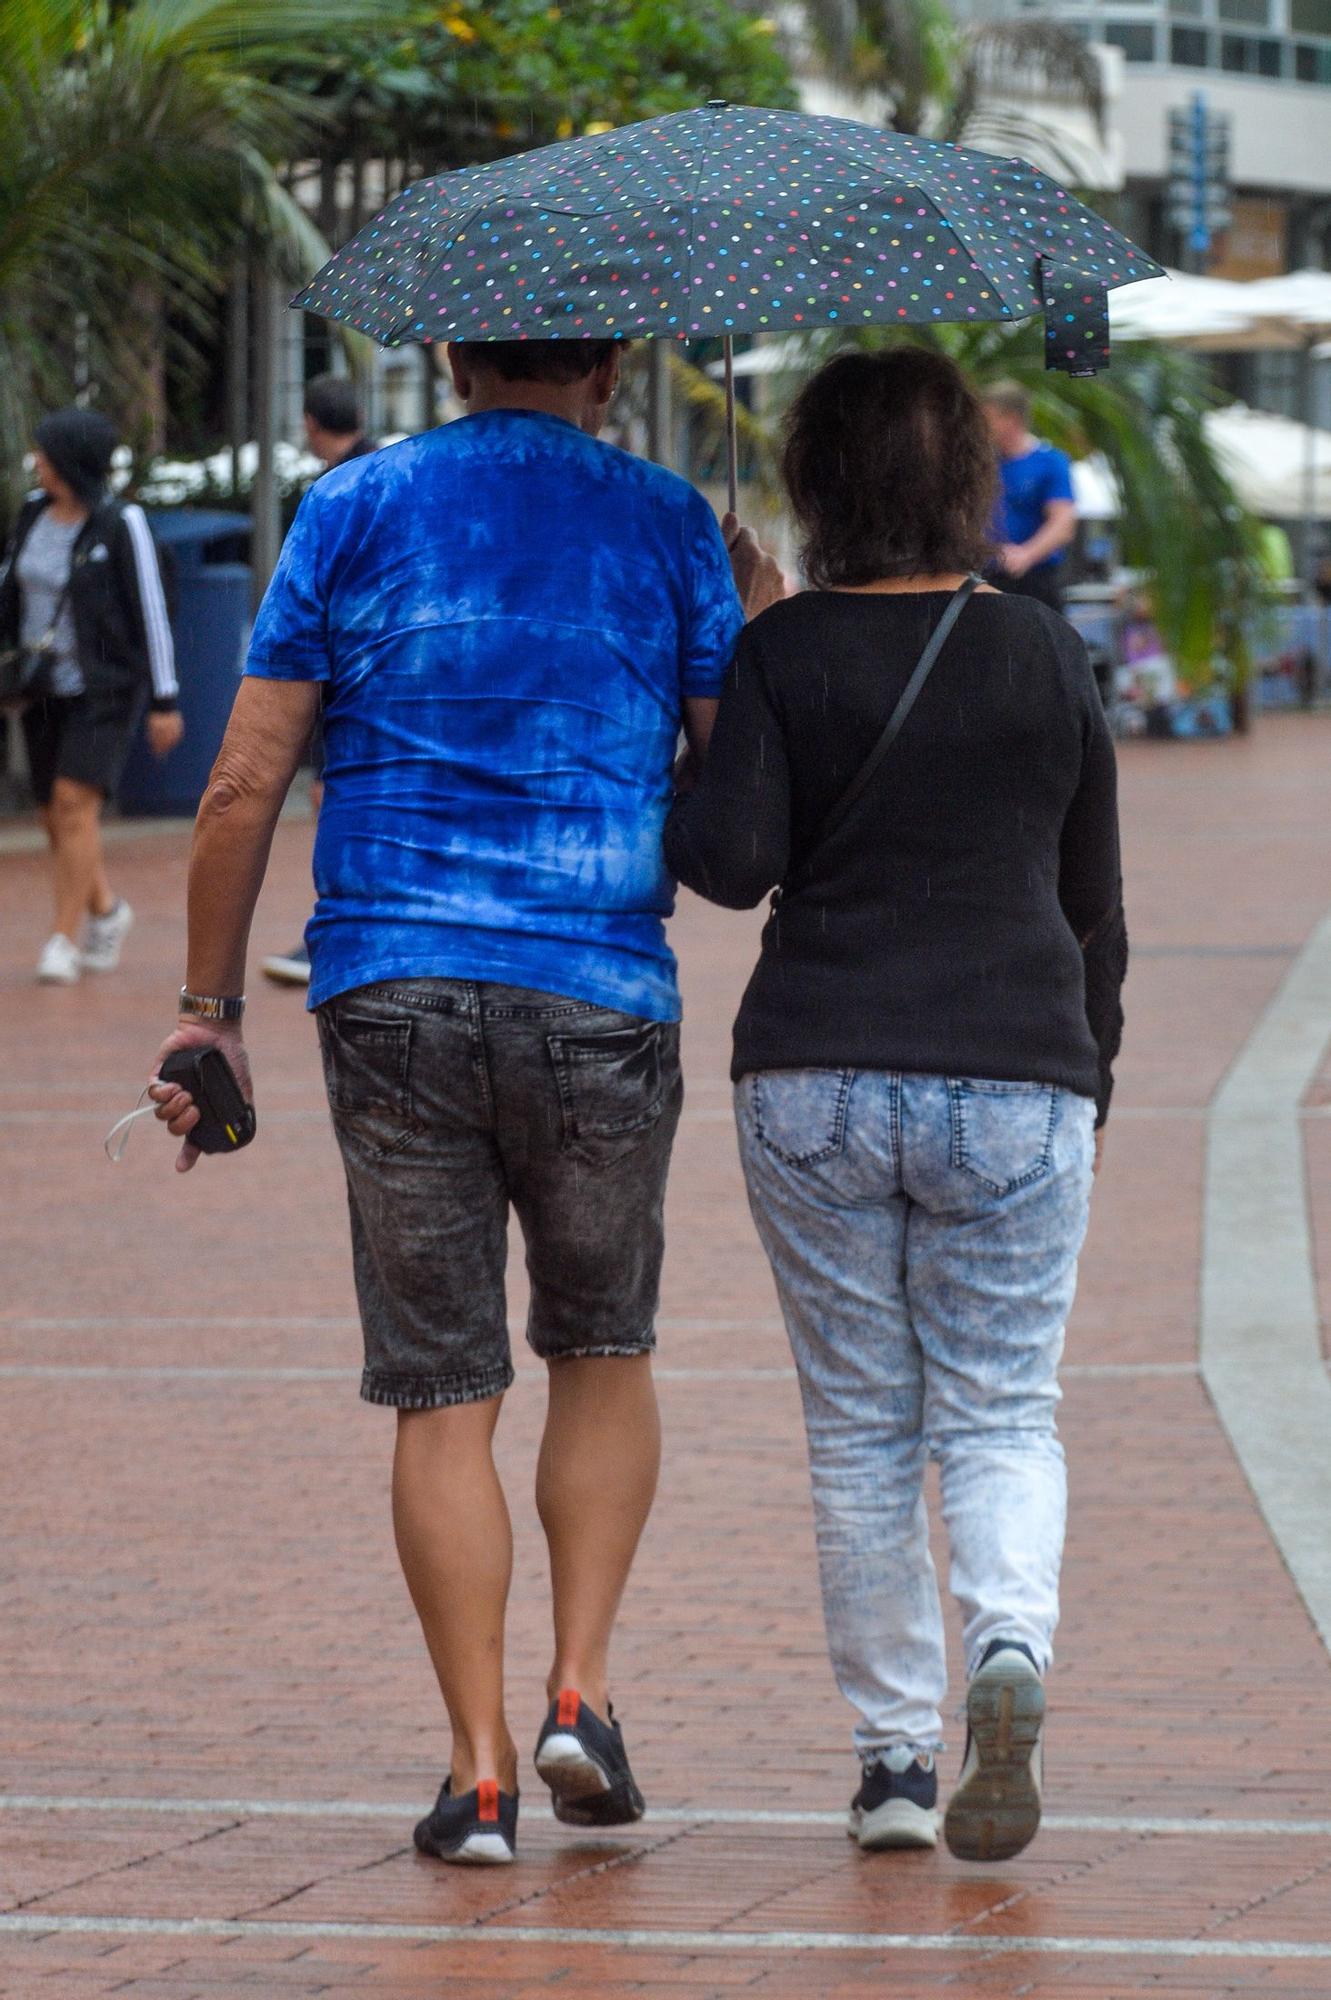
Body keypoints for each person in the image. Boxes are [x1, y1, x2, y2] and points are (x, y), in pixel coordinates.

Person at [147, 336, 782, 1868]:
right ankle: (580, 1694)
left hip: (391, 989)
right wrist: (756, 636)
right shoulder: (666, 521)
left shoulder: (351, 509)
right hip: (598, 992)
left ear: (447, 350)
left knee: (441, 1387)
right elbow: (735, 809)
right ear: (613, 366)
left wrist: (209, 1012)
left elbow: (240, 785)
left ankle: (478, 1773)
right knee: (602, 1346)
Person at [666, 349, 1126, 1866]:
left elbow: (728, 867)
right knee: (999, 1406)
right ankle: (1007, 1648)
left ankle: (891, 1768)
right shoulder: (1047, 654)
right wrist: (1088, 1077)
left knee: (861, 1429)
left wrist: (728, 684)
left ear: (816, 485)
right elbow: (1091, 906)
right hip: (1014, 1069)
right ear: (961, 488)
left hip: (810, 1071)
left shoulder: (785, 651)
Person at [0, 409, 183, 984]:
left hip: (105, 690)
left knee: (75, 805)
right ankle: (107, 909)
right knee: (53, 815)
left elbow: (153, 610)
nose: (39, 464)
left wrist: (165, 700)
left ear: (72, 462)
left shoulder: (120, 522)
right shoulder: (32, 511)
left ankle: (63, 938)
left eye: (47, 455)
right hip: (40, 688)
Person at [262, 377, 381, 988]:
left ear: (311, 424)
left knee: (347, 818)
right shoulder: (389, 473)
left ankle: (331, 939)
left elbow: (310, 641)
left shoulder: (337, 495)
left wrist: (315, 756)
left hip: (354, 694)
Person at [982, 381, 1078, 614]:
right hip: (987, 576)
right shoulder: (984, 464)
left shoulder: (1050, 462)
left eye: (989, 419)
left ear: (1011, 419)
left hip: (1034, 579)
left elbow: (1063, 523)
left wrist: (1026, 554)